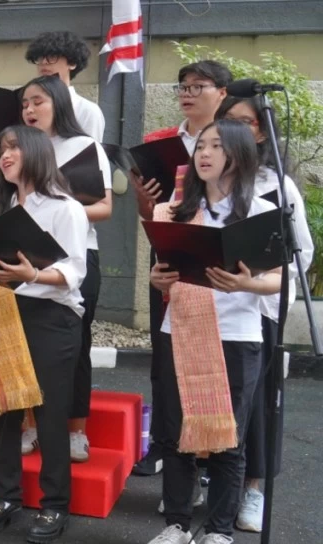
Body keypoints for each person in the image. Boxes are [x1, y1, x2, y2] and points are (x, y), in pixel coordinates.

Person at [143, 120, 279, 544]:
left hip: (237, 335)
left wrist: (247, 282)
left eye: (217, 146)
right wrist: (156, 278)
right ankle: (177, 525)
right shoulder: (175, 211)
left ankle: (219, 535)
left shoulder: (260, 211)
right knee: (177, 433)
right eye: (201, 145)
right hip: (179, 328)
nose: (205, 153)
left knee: (229, 438)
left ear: (238, 156)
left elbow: (280, 279)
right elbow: (161, 273)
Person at [0, 125, 87, 544]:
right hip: (4, 309)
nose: (4, 155)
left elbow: (75, 271)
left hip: (49, 315)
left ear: (36, 152)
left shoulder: (64, 207)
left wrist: (33, 273)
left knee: (51, 412)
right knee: (5, 411)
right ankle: (6, 496)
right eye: (1, 149)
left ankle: (55, 504)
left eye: (14, 147)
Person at [216, 97, 314, 533]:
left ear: (260, 132)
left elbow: (301, 255)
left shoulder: (277, 186)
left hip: (262, 307)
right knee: (222, 402)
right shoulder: (211, 181)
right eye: (226, 123)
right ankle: (218, 485)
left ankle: (253, 489)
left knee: (258, 404)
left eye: (243, 123)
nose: (233, 131)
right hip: (218, 308)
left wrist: (255, 280)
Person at [132, 60, 234, 478]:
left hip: (216, 260)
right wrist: (143, 195)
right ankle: (164, 441)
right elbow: (148, 214)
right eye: (182, 86)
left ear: (222, 94)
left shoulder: (235, 141)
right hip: (171, 258)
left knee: (214, 355)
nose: (188, 93)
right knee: (165, 354)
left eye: (198, 86)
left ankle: (211, 450)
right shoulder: (159, 141)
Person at [19, 75, 113, 463]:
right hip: (26, 256)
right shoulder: (22, 149)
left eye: (37, 101)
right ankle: (29, 426)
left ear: (58, 102)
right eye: (24, 103)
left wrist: (59, 213)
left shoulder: (83, 146)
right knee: (24, 346)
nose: (29, 110)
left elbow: (104, 207)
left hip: (75, 255)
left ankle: (75, 430)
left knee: (74, 347)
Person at [25, 31, 105, 141]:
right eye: (39, 58)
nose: (43, 62)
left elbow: (91, 153)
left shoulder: (87, 110)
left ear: (72, 63)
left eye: (52, 57)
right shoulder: (28, 109)